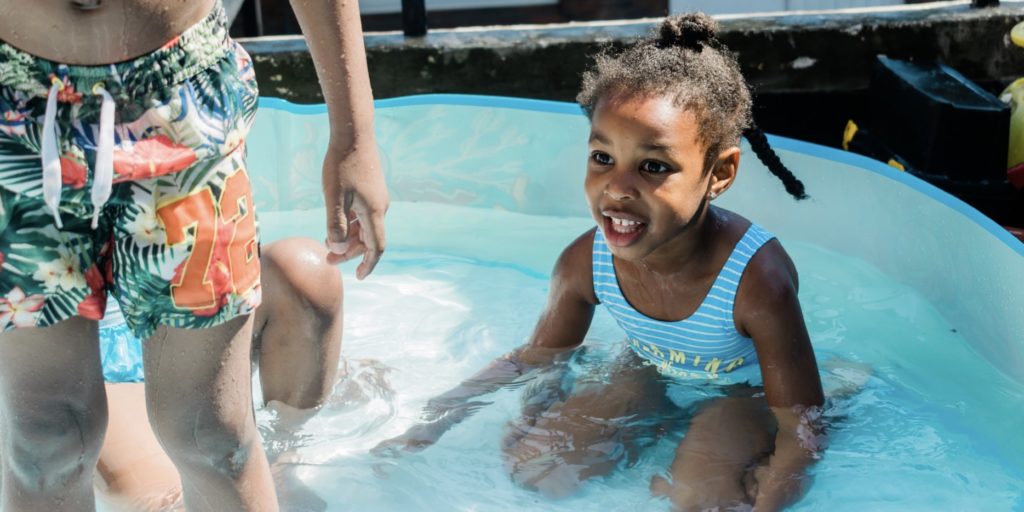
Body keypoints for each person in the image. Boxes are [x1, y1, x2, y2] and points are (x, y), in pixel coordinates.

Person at [376, 13, 823, 512]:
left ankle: (693, 435)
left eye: (654, 167)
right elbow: (538, 358)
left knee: (699, 500)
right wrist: (432, 424)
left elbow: (801, 424)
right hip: (649, 370)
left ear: (720, 172)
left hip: (743, 393)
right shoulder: (584, 261)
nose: (617, 187)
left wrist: (773, 496)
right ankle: (657, 417)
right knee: (539, 468)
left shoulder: (756, 280)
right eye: (602, 157)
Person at [0, 0, 386, 510]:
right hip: (16, 112)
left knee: (214, 438)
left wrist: (354, 138)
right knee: (45, 445)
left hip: (181, 100)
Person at [94, 236, 343, 511]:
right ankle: (269, 476)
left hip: (190, 298)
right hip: (101, 349)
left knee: (306, 265)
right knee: (169, 497)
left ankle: (285, 447)